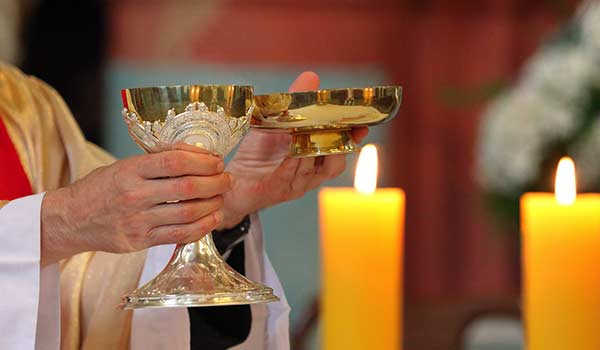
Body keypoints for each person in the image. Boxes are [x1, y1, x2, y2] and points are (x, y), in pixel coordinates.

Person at [0, 62, 368, 350]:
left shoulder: (25, 108)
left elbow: (88, 290)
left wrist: (214, 208)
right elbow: (75, 222)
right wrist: (56, 224)